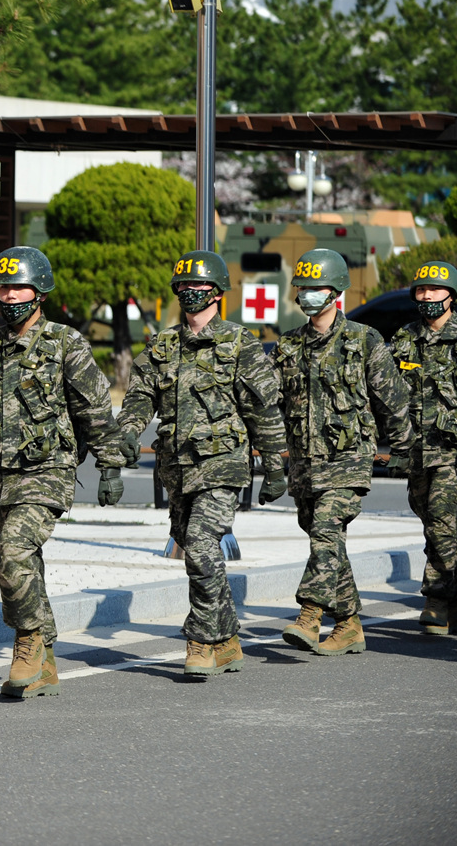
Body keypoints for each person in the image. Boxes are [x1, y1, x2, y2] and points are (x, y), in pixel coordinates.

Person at [0, 246, 127, 698]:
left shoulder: (65, 344)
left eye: (18, 286)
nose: (9, 295)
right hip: (0, 474)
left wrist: (110, 466)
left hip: (48, 469)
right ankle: (47, 663)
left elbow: (95, 409)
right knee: (24, 564)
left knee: (15, 553)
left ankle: (27, 641)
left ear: (39, 292)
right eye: (2, 287)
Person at [118, 250, 286, 677]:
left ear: (217, 293)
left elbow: (262, 408)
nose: (192, 293)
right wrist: (126, 433)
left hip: (223, 463)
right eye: (185, 286)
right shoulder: (162, 345)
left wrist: (275, 464)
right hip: (176, 467)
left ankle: (199, 639)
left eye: (200, 286)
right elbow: (139, 397)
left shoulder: (240, 344)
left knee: (199, 543)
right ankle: (227, 639)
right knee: (196, 550)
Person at [275, 249, 412, 655]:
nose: (307, 295)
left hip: (348, 458)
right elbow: (269, 400)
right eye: (302, 288)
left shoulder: (364, 340)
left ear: (335, 292)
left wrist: (403, 449)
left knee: (325, 530)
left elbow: (394, 399)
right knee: (327, 540)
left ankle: (310, 616)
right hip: (304, 463)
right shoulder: (288, 346)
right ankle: (350, 623)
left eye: (315, 288)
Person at [391, 261, 457, 636]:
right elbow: (392, 398)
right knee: (432, 523)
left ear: (452, 295)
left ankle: (434, 599)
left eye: (435, 290)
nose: (427, 296)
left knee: (440, 517)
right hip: (417, 451)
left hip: (456, 449)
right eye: (420, 290)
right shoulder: (404, 338)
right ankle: (453, 602)